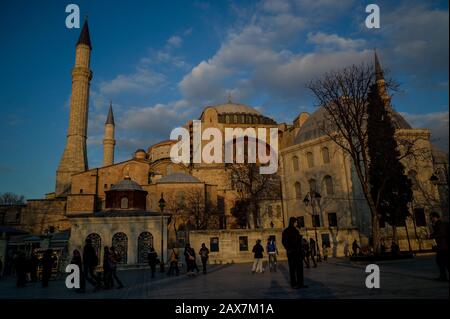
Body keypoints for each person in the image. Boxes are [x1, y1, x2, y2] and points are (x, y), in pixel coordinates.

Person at [282, 217, 307, 289]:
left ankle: (300, 283)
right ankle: (294, 283)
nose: (297, 223)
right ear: (292, 222)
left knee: (299, 268)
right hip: (292, 253)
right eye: (296, 222)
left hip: (298, 252)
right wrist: (289, 249)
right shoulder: (286, 231)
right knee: (292, 269)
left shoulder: (296, 230)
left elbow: (299, 241)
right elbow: (284, 241)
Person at [430, 212, 449, 281]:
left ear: (435, 217)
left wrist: (432, 236)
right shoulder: (437, 224)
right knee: (442, 261)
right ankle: (443, 276)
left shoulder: (440, 224)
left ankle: (443, 277)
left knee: (442, 261)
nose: (430, 219)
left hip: (443, 246)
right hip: (442, 246)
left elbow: (441, 233)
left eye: (431, 217)